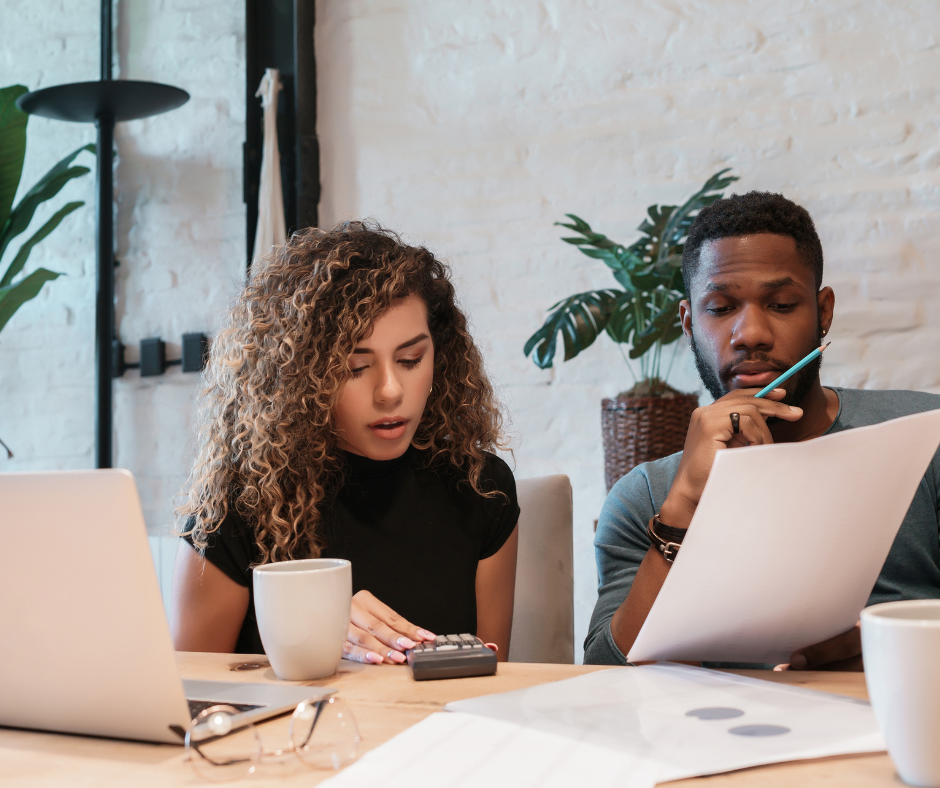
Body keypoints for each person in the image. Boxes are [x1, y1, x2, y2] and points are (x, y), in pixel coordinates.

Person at [584, 191, 940, 670]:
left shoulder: (926, 438)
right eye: (721, 308)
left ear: (823, 312)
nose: (750, 333)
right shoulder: (646, 498)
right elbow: (604, 675)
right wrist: (685, 502)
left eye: (780, 304)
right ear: (688, 322)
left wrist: (887, 647)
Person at [171, 222, 519, 664]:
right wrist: (307, 633)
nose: (390, 390)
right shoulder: (239, 504)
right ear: (300, 377)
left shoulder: (480, 487)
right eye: (356, 367)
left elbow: (493, 680)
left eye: (411, 359)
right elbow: (191, 696)